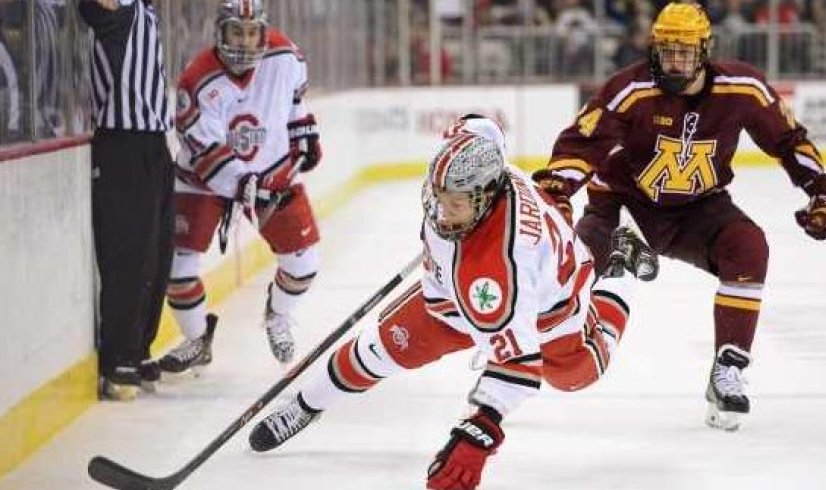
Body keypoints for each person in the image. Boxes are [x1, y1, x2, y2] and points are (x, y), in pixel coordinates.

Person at [245, 115, 658, 490]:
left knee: (577, 374)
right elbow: (482, 125)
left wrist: (478, 430)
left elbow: (517, 364)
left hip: (551, 308)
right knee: (378, 351)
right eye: (438, 195)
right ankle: (303, 406)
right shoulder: (475, 158)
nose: (441, 211)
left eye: (454, 203)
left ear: (482, 197)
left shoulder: (497, 266)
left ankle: (622, 265)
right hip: (453, 302)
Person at [533, 2, 826, 431]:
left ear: (705, 50)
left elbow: (788, 140)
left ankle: (729, 369)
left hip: (697, 209)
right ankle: (520, 339)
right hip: (625, 206)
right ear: (654, 49)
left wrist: (819, 188)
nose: (675, 60)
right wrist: (557, 187)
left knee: (748, 247)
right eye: (667, 50)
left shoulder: (743, 88)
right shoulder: (629, 89)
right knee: (570, 264)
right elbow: (580, 145)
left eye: (685, 51)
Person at [159, 0, 322, 373]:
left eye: (252, 32)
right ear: (221, 32)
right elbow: (204, 153)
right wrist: (242, 183)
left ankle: (277, 315)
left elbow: (294, 101)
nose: (246, 42)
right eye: (237, 32)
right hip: (205, 180)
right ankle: (197, 339)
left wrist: (304, 134)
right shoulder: (197, 79)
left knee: (304, 264)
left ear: (263, 31)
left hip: (272, 169)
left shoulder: (286, 56)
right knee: (177, 266)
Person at [78, 0, 175, 401]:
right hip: (121, 146)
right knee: (127, 256)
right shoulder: (117, 10)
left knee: (158, 255)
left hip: (155, 145)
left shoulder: (145, 10)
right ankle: (117, 357)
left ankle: (137, 349)